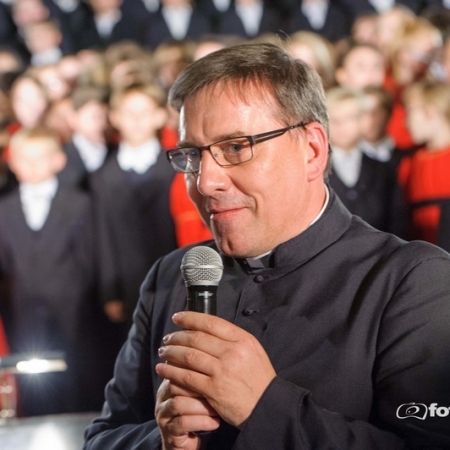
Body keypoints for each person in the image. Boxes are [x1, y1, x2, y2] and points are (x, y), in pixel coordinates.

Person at [83, 43, 450, 449]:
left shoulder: (414, 281)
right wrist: (162, 439)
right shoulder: (169, 276)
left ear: (311, 150)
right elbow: (103, 437)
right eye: (192, 155)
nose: (205, 182)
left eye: (236, 147)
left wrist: (264, 406)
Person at [0, 126, 109, 416]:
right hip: (23, 310)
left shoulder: (79, 203)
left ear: (58, 161)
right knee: (33, 379)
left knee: (76, 376)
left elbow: (92, 256)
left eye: (40, 157)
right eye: (24, 158)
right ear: (12, 162)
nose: (32, 165)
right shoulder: (5, 209)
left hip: (74, 308)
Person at [90, 82, 177, 341]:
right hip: (128, 287)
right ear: (114, 117)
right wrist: (110, 291)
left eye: (145, 112)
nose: (137, 120)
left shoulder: (176, 168)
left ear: (160, 115)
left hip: (173, 278)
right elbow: (102, 237)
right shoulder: (103, 177)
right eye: (129, 112)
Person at [326, 86, 408, 238]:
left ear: (363, 120)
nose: (341, 126)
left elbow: (396, 219)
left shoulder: (383, 170)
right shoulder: (315, 169)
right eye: (334, 119)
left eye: (350, 118)